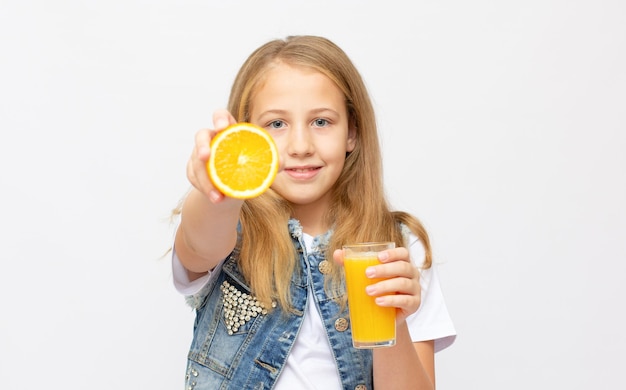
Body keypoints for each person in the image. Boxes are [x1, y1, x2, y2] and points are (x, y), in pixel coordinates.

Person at [171, 35, 456, 389]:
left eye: (321, 122)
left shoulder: (397, 249)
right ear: (247, 135)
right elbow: (200, 244)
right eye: (276, 124)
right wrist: (220, 193)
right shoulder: (228, 226)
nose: (301, 147)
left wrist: (395, 324)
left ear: (352, 131)